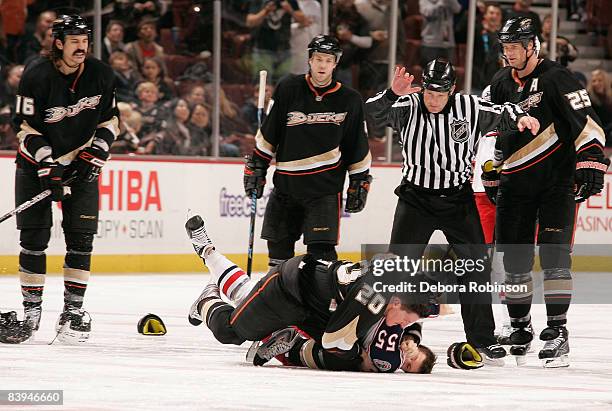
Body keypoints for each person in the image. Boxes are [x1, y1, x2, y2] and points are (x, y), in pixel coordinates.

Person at [365, 58, 540, 363]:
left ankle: (482, 338)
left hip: (457, 200)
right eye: (429, 93)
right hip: (415, 199)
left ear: (452, 90)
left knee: (475, 268)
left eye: (440, 94)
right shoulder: (408, 105)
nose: (433, 100)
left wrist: (522, 117)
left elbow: (503, 112)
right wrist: (392, 93)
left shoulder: (469, 108)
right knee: (397, 270)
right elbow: (372, 113)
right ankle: (382, 329)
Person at [486, 17, 609, 367]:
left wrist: (590, 163)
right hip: (514, 185)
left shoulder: (557, 78)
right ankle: (520, 328)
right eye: (505, 46)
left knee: (555, 259)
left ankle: (557, 332)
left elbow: (587, 121)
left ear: (532, 46)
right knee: (515, 261)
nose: (508, 53)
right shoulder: (499, 83)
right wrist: (493, 172)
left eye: (514, 46)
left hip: (555, 183)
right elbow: (494, 133)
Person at [185, 214, 436, 372]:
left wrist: (412, 333)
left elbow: (424, 305)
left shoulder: (394, 291)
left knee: (245, 294)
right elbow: (333, 342)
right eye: (404, 320)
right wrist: (362, 359)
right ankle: (206, 300)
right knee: (231, 331)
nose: (401, 326)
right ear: (396, 300)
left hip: (309, 304)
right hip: (287, 292)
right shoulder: (372, 296)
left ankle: (208, 253)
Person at [8, 14, 118, 344]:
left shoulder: (101, 74)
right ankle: (32, 310)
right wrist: (47, 166)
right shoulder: (36, 75)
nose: (81, 46)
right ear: (58, 43)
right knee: (34, 239)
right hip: (35, 166)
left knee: (81, 240)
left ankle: (73, 311)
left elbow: (112, 120)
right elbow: (25, 130)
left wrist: (96, 153)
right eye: (74, 41)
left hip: (81, 165)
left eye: (85, 40)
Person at [243, 35, 372, 270]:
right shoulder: (288, 88)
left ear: (335, 63)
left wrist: (360, 180)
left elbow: (357, 144)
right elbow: (270, 133)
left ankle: (319, 304)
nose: (323, 65)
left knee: (321, 256)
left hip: (324, 191)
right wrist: (257, 166)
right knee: (278, 252)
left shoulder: (350, 100)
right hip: (286, 188)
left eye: (328, 60)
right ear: (310, 60)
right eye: (318, 59)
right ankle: (276, 302)